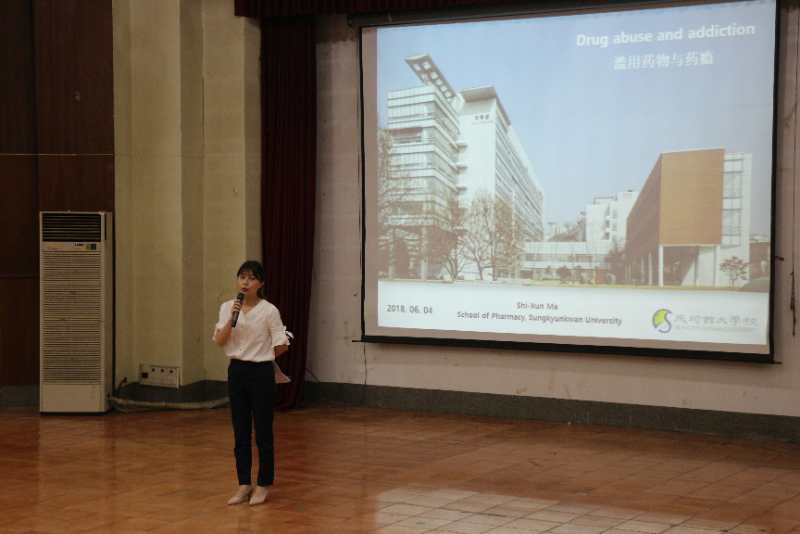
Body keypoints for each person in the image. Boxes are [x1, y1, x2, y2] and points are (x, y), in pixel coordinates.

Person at [212, 260, 291, 506]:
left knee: (263, 431)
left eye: (252, 278)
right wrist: (231, 319)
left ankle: (263, 484)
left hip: (261, 373)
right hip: (237, 371)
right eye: (242, 277)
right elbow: (220, 340)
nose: (246, 282)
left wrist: (263, 355)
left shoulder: (269, 310)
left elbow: (282, 344)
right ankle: (244, 483)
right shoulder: (228, 307)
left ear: (261, 283)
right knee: (240, 431)